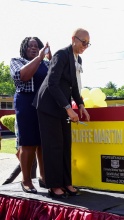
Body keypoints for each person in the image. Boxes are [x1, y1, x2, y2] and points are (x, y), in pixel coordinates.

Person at [33, 28, 90, 199]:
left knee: (66, 144)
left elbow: (73, 85)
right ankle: (54, 186)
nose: (85, 46)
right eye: (83, 42)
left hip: (62, 107)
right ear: (73, 38)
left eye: (88, 44)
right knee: (54, 146)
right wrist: (68, 107)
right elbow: (52, 83)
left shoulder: (77, 58)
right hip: (48, 107)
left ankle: (67, 183)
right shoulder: (61, 54)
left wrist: (80, 104)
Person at [9, 37, 51, 193]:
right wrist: (39, 57)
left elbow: (56, 78)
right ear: (24, 48)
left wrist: (50, 57)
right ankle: (26, 180)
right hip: (26, 103)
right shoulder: (16, 61)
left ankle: (44, 177)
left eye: (36, 46)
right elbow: (23, 76)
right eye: (30, 46)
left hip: (44, 104)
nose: (33, 48)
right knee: (28, 143)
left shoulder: (46, 63)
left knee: (43, 143)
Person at [2, 120, 37, 185]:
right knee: (28, 162)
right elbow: (20, 132)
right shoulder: (22, 115)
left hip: (22, 143)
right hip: (23, 143)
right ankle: (9, 181)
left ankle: (32, 180)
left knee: (31, 163)